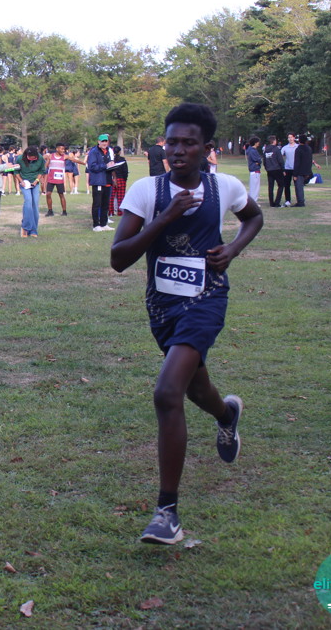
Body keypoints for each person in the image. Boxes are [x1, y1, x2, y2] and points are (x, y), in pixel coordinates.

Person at [110, 102, 263, 545]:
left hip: (207, 299)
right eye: (171, 142)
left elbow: (254, 217)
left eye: (188, 143)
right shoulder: (147, 191)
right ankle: (226, 414)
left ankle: (167, 514)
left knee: (167, 392)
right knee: (195, 388)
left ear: (206, 148)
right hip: (162, 306)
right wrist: (165, 217)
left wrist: (232, 249)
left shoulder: (225, 187)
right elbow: (118, 258)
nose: (177, 150)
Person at [14, 146, 44, 237]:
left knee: (35, 204)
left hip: (35, 183)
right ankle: (25, 227)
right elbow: (16, 172)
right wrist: (21, 181)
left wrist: (37, 180)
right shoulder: (20, 159)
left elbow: (41, 171)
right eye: (31, 157)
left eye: (34, 158)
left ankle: (33, 230)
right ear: (27, 155)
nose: (32, 159)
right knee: (28, 202)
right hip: (24, 183)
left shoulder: (40, 158)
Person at [88, 133, 114, 231]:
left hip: (107, 180)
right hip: (98, 181)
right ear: (98, 142)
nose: (104, 143)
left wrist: (112, 165)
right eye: (102, 141)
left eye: (106, 141)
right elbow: (92, 166)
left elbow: (108, 164)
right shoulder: (94, 152)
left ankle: (104, 224)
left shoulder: (107, 151)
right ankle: (96, 225)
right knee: (97, 204)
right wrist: (105, 166)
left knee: (105, 204)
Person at [43, 143, 69, 217]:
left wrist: (85, 164)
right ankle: (50, 211)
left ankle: (64, 211)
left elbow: (75, 160)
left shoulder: (65, 156)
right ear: (57, 149)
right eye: (62, 149)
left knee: (61, 195)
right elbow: (45, 163)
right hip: (51, 179)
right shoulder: (51, 156)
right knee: (48, 194)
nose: (63, 150)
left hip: (59, 180)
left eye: (64, 149)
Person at [262, 135, 287, 207]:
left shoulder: (266, 150)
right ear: (274, 141)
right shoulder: (276, 149)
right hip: (277, 169)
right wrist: (283, 169)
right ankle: (277, 202)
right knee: (281, 185)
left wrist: (267, 168)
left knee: (271, 186)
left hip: (269, 170)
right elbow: (280, 160)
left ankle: (271, 203)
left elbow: (264, 161)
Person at [292, 134, 313, 207]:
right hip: (307, 171)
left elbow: (297, 162)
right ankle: (301, 201)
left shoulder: (298, 149)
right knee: (301, 186)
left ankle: (300, 202)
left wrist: (295, 174)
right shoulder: (309, 149)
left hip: (300, 172)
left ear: (299, 141)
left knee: (299, 187)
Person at [245, 137, 262, 203]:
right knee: (255, 187)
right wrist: (259, 162)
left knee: (254, 187)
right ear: (255, 143)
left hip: (254, 170)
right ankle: (253, 201)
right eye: (258, 142)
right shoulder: (252, 151)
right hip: (255, 170)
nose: (258, 143)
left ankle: (253, 201)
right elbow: (257, 160)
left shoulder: (250, 150)